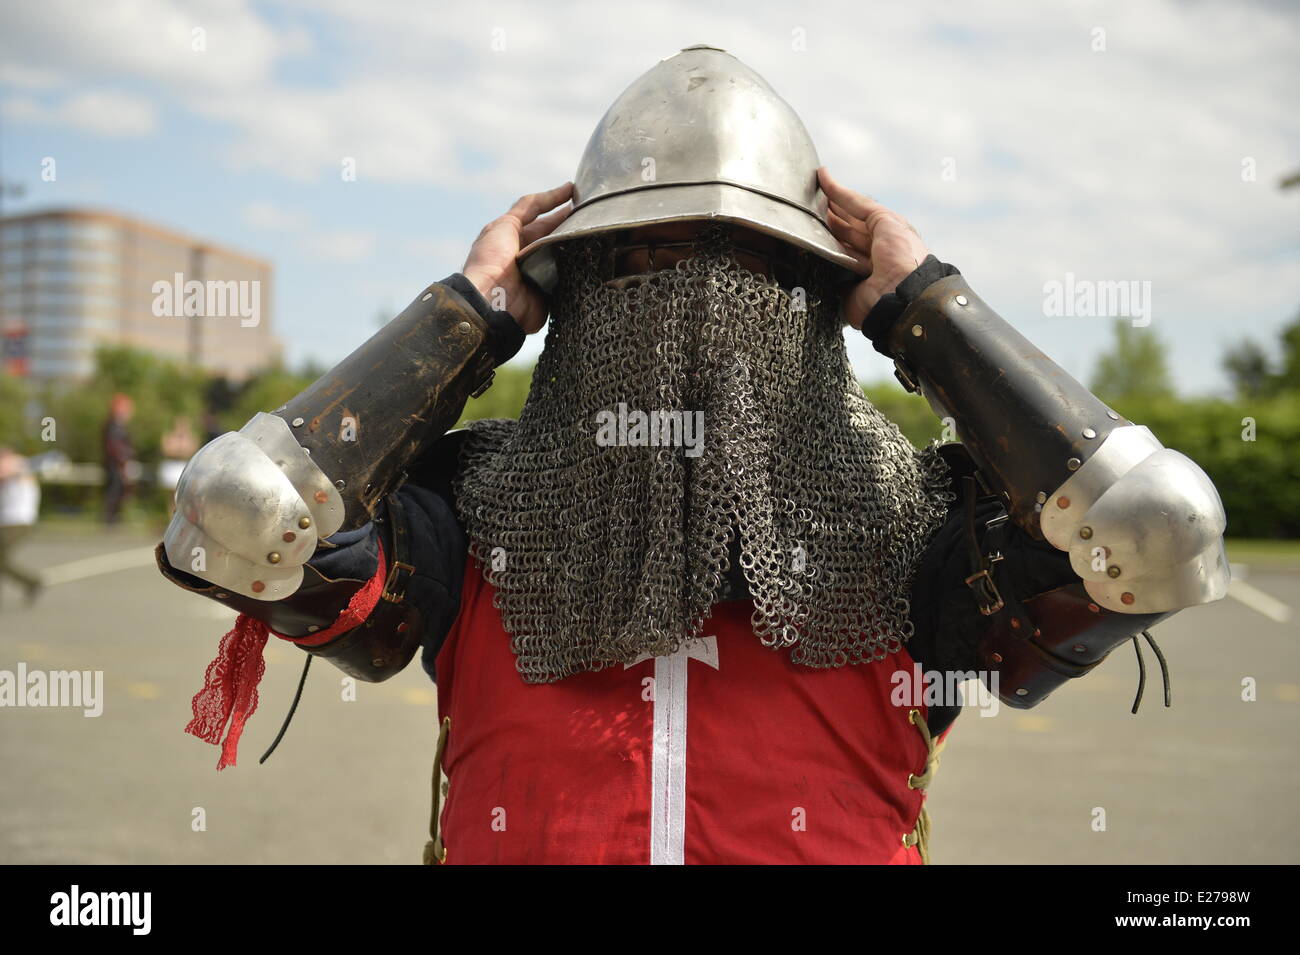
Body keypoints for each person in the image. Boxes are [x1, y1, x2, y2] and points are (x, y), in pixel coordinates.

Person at [156, 47, 1228, 865]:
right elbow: (240, 516)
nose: (698, 307)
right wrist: (466, 315)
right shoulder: (479, 519)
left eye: (748, 266)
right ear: (576, 294)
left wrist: (928, 310)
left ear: (814, 299)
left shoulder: (914, 538)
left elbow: (1153, 531)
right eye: (650, 264)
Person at [0, 446, 42, 607]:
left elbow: (14, 471)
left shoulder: (21, 467)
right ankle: (32, 583)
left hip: (18, 522)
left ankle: (32, 582)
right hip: (5, 523)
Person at [102, 393, 134, 525]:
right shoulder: (113, 426)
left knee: (119, 491)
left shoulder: (118, 426)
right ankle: (110, 519)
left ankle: (115, 517)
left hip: (118, 464)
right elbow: (114, 447)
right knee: (114, 490)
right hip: (115, 465)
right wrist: (123, 461)